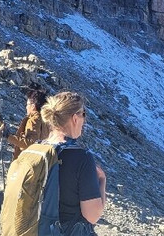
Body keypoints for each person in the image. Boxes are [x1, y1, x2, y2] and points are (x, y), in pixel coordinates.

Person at [40, 91, 106, 235]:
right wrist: (102, 180)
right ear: (75, 118)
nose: (84, 120)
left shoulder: (37, 149)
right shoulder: (82, 158)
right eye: (84, 114)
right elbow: (93, 215)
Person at [6, 88, 48, 159]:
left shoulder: (34, 119)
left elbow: (30, 143)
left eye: (27, 104)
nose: (26, 107)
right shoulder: (46, 119)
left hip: (28, 159)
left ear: (33, 106)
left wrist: (7, 136)